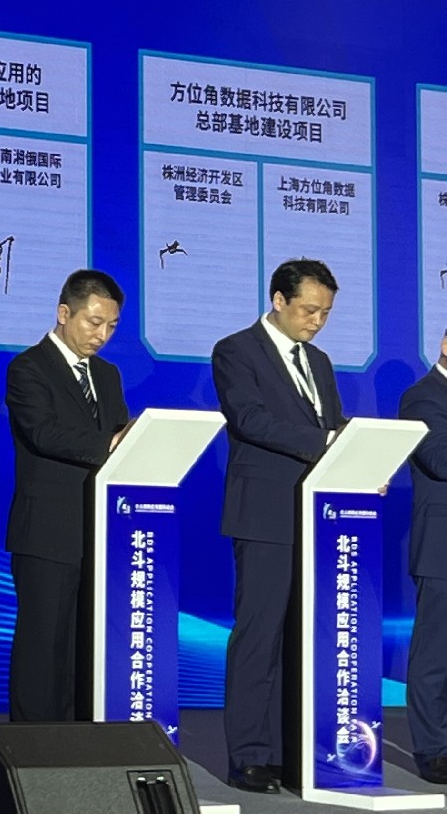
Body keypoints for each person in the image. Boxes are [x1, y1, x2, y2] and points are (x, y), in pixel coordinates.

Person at [211, 258, 343, 795]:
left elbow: (332, 424)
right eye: (309, 310)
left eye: (326, 313)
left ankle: (291, 751)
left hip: (315, 514)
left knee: (302, 638)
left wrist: (357, 456)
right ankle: (249, 755)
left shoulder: (320, 361)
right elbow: (249, 419)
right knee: (259, 636)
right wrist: (329, 444)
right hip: (264, 512)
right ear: (279, 300)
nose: (317, 321)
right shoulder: (235, 351)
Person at [4, 269, 131, 723]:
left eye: (111, 326)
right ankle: (33, 747)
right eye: (94, 322)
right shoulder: (28, 368)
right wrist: (111, 443)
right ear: (64, 313)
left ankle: (78, 745)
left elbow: (121, 433)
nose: (102, 335)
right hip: (47, 532)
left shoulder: (108, 375)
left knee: (84, 650)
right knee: (43, 649)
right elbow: (43, 433)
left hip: (99, 532)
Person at [400, 332, 447, 785]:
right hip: (441, 545)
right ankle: (433, 748)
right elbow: (438, 458)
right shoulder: (423, 397)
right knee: (436, 653)